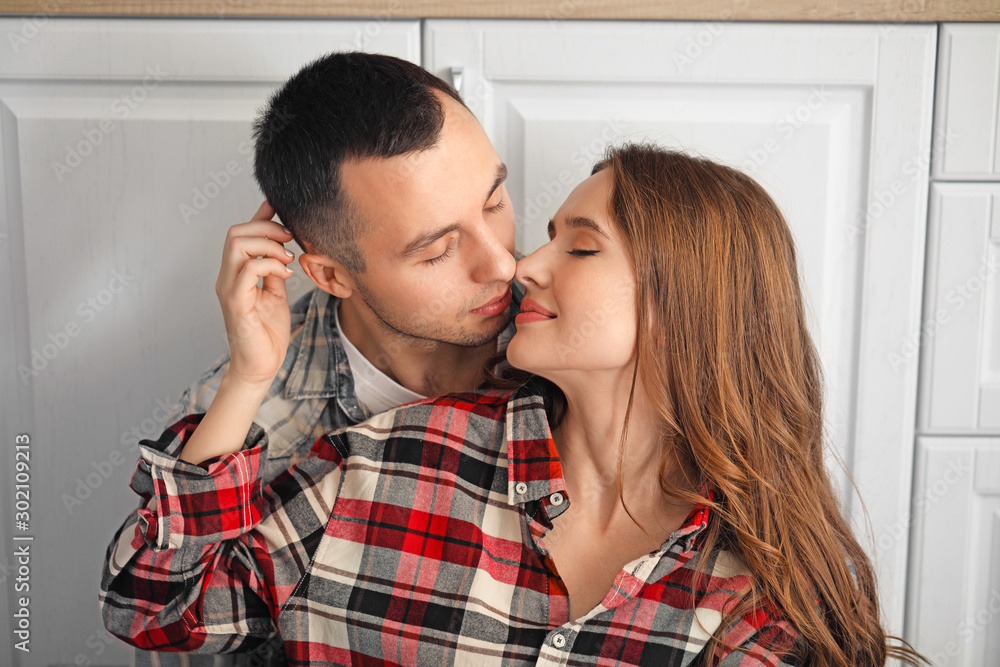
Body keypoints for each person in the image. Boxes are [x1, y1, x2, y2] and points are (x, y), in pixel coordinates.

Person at [102, 143, 927, 666]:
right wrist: (249, 377)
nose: (522, 265)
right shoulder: (384, 463)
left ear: (687, 301)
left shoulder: (761, 589)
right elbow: (154, 606)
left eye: (580, 245)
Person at [129, 51, 521, 667]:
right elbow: (155, 612)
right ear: (330, 273)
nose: (501, 263)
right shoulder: (258, 415)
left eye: (494, 203)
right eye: (439, 249)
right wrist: (248, 380)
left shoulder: (571, 347)